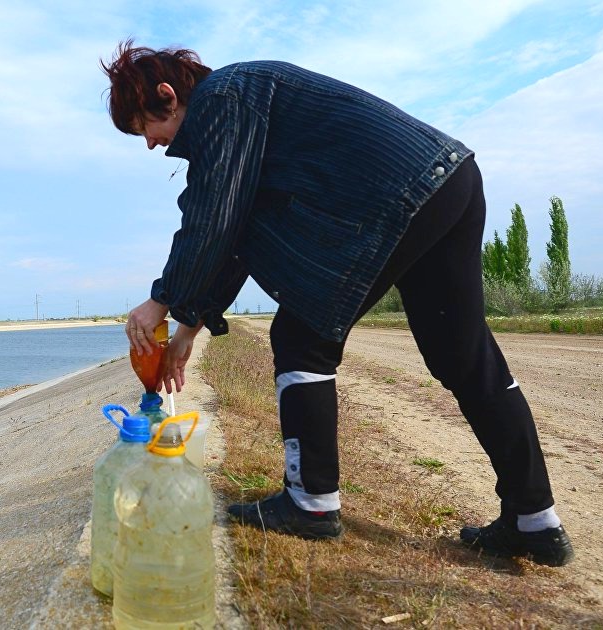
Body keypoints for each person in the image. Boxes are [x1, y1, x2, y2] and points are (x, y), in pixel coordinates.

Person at [103, 40, 574, 566]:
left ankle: (311, 505)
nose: (149, 144)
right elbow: (237, 229)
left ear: (167, 96)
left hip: (399, 192)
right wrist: (189, 322)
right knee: (464, 356)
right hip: (449, 180)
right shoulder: (243, 104)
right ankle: (535, 519)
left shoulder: (222, 99)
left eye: (143, 126)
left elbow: (213, 215)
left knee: (302, 335)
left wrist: (161, 301)